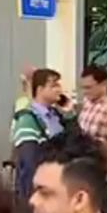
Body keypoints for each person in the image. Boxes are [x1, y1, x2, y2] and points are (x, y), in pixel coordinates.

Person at [12, 68, 66, 202]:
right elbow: (28, 162)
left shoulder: (57, 116)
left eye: (59, 85)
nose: (59, 90)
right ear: (40, 89)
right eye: (53, 86)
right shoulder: (27, 119)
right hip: (40, 191)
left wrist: (70, 114)